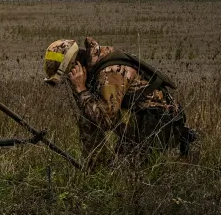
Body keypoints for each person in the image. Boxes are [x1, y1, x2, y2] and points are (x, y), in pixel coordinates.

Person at [43, 37, 196, 170]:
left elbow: (104, 120)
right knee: (88, 118)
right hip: (141, 121)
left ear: (75, 67)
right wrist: (81, 91)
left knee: (123, 173)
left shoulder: (110, 72)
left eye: (67, 77)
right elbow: (91, 113)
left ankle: (102, 173)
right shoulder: (95, 67)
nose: (68, 82)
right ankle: (100, 171)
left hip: (157, 125)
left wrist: (82, 91)